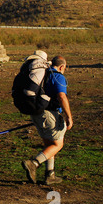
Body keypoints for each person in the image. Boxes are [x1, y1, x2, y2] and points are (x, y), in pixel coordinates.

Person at [22, 55, 73, 185]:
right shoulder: (58, 76)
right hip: (50, 114)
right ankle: (34, 163)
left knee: (49, 144)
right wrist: (69, 116)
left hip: (36, 112)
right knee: (57, 145)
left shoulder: (43, 74)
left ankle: (50, 175)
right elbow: (62, 97)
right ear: (62, 66)